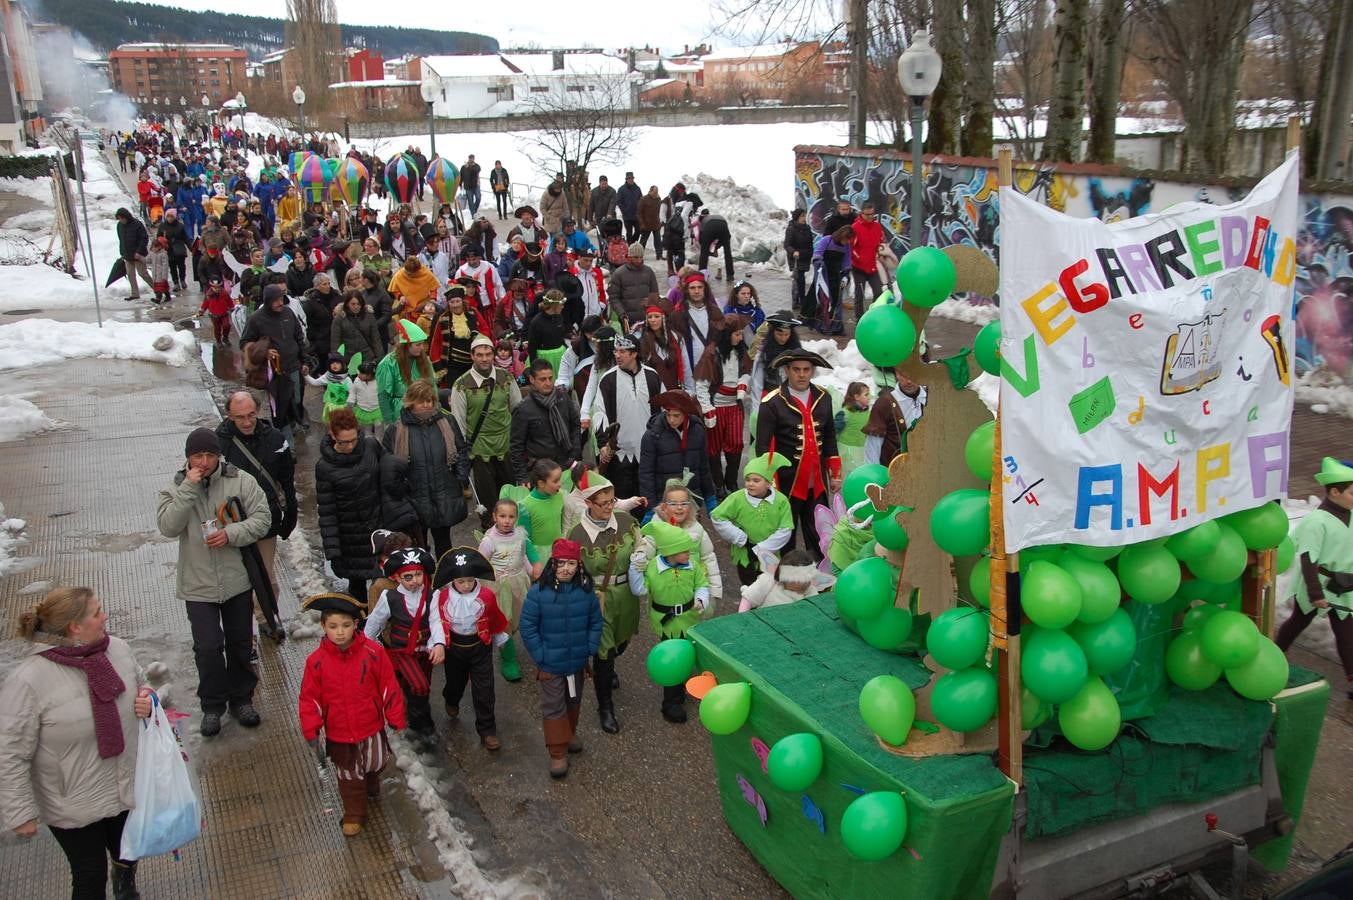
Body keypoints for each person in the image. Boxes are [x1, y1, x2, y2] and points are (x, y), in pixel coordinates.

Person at [0, 587, 154, 900]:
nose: (105, 616)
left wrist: (147, 700)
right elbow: (10, 751)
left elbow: (141, 684)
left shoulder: (117, 650)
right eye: (97, 613)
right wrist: (19, 812)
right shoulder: (29, 680)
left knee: (128, 848)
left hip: (123, 782)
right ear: (75, 627)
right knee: (89, 875)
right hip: (72, 800)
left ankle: (125, 882)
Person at [155, 427, 271, 736]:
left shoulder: (239, 480)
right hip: (198, 583)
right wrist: (188, 490)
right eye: (197, 456)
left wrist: (231, 534)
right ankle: (212, 705)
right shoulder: (178, 486)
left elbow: (262, 519)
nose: (204, 462)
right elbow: (168, 526)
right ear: (188, 458)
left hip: (236, 579)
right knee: (207, 646)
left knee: (240, 642)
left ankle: (242, 698)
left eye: (209, 455)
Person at [298, 592, 405, 837]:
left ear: (356, 625)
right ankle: (354, 812)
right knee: (348, 775)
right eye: (333, 626)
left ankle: (370, 780)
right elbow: (309, 699)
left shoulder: (374, 653)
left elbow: (389, 685)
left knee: (376, 762)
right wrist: (311, 728)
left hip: (371, 727)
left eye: (346, 625)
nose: (340, 632)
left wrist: (395, 715)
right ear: (323, 626)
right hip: (339, 733)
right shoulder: (316, 662)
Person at [566, 473, 646, 734]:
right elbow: (569, 570)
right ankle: (605, 707)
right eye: (604, 503)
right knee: (603, 653)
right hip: (598, 599)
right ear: (589, 502)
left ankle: (610, 665)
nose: (610, 507)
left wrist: (643, 557)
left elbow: (643, 545)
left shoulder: (626, 521)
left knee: (622, 643)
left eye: (612, 501)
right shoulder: (576, 534)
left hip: (626, 596)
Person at [518, 538, 602, 778]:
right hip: (550, 665)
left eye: (572, 563)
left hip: (577, 661)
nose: (566, 568)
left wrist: (590, 647)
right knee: (554, 706)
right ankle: (557, 752)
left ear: (579, 565)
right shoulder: (538, 592)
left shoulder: (585, 592)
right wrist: (540, 655)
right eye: (561, 563)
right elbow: (528, 627)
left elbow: (595, 621)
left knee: (573, 701)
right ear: (552, 563)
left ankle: (569, 733)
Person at [217, 391, 298, 636]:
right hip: (231, 520)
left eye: (251, 415)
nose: (247, 421)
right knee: (237, 577)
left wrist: (291, 511)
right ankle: (240, 626)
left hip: (266, 519)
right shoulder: (219, 443)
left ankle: (268, 618)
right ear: (229, 416)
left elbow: (286, 478)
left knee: (266, 574)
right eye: (240, 417)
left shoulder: (274, 438)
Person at [755, 348, 843, 560]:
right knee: (787, 534)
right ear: (787, 371)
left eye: (806, 369)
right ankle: (788, 579)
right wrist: (770, 483)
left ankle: (820, 579)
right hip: (788, 483)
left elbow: (829, 436)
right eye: (796, 370)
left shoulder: (823, 397)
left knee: (819, 532)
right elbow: (763, 448)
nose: (802, 374)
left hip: (817, 482)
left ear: (812, 371)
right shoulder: (772, 402)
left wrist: (835, 473)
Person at [1277, 458, 1353, 694]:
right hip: (1317, 583)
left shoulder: (1350, 515)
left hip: (1342, 585)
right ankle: (1277, 654)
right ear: (1334, 492)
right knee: (1298, 621)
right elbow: (1308, 560)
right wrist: (1315, 593)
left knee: (1346, 633)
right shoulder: (1316, 522)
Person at [629, 520, 710, 723]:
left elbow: (702, 584)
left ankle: (685, 683)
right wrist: (635, 568)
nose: (689, 554)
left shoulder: (692, 566)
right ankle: (671, 702)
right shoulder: (653, 569)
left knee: (690, 653)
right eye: (685, 551)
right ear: (671, 553)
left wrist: (701, 599)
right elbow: (639, 589)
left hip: (690, 619)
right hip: (667, 624)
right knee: (672, 658)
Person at [431, 548, 509, 751]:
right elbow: (435, 622)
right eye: (460, 581)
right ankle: (451, 698)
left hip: (480, 647)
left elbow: (494, 618)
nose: (466, 585)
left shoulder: (486, 595)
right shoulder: (442, 598)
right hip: (454, 648)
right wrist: (435, 643)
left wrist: (499, 637)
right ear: (453, 581)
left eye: (469, 580)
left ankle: (487, 731)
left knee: (484, 689)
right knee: (455, 683)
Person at [383, 380, 470, 557]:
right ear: (410, 402)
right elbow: (388, 466)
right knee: (417, 546)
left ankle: (445, 579)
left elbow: (461, 451)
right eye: (421, 401)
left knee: (444, 543)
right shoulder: (396, 430)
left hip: (443, 493)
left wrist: (460, 478)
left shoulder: (447, 422)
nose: (426, 405)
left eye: (429, 400)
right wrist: (401, 491)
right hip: (414, 496)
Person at [365, 547, 441, 749]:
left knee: (422, 687)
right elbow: (375, 622)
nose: (415, 580)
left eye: (418, 575)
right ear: (397, 577)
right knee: (420, 686)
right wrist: (367, 646)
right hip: (402, 652)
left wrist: (438, 644)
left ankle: (412, 710)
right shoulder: (389, 597)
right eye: (408, 576)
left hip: (426, 651)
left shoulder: (432, 595)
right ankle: (423, 727)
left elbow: (435, 622)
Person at [450, 334, 523, 529]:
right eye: (480, 354)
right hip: (480, 449)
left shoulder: (506, 377)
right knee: (488, 497)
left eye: (488, 354)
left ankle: (513, 532)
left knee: (509, 493)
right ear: (472, 356)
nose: (484, 358)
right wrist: (464, 452)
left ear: (493, 355)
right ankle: (491, 537)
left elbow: (517, 409)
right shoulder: (461, 384)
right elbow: (458, 423)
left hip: (506, 445)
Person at [595, 335, 664, 499]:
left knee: (647, 501)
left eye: (622, 351)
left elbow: (663, 411)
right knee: (622, 503)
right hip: (620, 455)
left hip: (648, 454)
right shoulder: (608, 380)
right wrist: (603, 443)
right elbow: (599, 413)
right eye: (616, 351)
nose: (617, 355)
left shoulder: (652, 377)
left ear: (634, 354)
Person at [711, 451, 795, 586]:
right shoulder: (737, 498)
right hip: (745, 556)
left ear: (768, 483)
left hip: (770, 557)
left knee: (770, 587)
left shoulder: (781, 501)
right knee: (749, 588)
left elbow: (785, 529)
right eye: (747, 480)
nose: (750, 484)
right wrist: (741, 539)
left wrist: (761, 549)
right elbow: (717, 516)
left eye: (756, 480)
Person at [478, 498, 539, 682]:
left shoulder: (521, 535)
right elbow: (481, 564)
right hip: (499, 587)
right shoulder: (489, 540)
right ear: (494, 516)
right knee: (504, 622)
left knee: (522, 618)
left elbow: (524, 558)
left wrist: (533, 571)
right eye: (502, 516)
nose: (507, 520)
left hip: (519, 583)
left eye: (511, 516)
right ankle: (509, 659)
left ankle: (526, 645)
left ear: (516, 518)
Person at [240, 285, 311, 436]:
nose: (280, 303)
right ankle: (284, 438)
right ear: (267, 301)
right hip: (275, 372)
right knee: (280, 406)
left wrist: (304, 361)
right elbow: (244, 342)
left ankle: (294, 421)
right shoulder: (256, 319)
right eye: (276, 300)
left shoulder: (288, 312)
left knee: (297, 398)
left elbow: (299, 337)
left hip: (294, 366)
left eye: (281, 299)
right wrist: (264, 352)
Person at [695, 316, 752, 497]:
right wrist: (707, 408)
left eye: (741, 334)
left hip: (734, 405)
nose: (740, 338)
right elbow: (702, 385)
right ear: (727, 335)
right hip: (716, 407)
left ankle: (731, 481)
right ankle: (718, 484)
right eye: (737, 334)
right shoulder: (711, 354)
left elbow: (746, 372)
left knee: (735, 443)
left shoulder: (741, 352)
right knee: (713, 447)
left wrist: (743, 383)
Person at [510, 359, 583, 486]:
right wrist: (522, 477)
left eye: (550, 378)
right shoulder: (523, 409)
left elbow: (575, 426)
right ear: (532, 380)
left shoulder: (563, 398)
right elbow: (516, 446)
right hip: (541, 471)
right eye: (542, 379)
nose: (548, 383)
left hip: (567, 464)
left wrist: (575, 453)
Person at [376, 319, 436, 424]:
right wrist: (389, 422)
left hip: (424, 412)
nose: (422, 348)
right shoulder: (388, 364)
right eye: (418, 344)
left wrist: (435, 410)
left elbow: (433, 386)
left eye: (423, 344)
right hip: (400, 415)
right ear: (407, 345)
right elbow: (384, 396)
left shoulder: (424, 360)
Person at [863, 373, 927, 466]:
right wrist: (874, 475)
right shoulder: (884, 403)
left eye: (913, 374)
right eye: (904, 375)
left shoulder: (931, 397)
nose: (909, 381)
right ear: (897, 374)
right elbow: (873, 446)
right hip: (894, 471)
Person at [737, 550, 826, 611]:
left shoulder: (811, 591)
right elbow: (749, 598)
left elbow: (814, 611)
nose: (804, 583)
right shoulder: (768, 581)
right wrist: (743, 617)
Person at [811, 225, 855, 335]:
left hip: (837, 275)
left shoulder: (847, 246)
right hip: (824, 275)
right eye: (846, 239)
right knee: (825, 300)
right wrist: (819, 263)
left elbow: (847, 261)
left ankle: (836, 326)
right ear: (841, 235)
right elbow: (818, 253)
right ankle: (824, 325)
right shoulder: (827, 240)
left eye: (849, 239)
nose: (847, 241)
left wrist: (846, 274)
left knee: (837, 301)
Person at [607, 243, 661, 330]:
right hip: (627, 320)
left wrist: (652, 313)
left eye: (641, 257)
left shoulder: (649, 272)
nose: (639, 260)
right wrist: (622, 314)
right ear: (629, 257)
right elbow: (614, 297)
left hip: (647, 319)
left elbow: (654, 295)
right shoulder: (619, 274)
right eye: (636, 257)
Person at [850, 201, 886, 320]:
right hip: (859, 267)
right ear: (862, 213)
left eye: (872, 214)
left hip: (873, 266)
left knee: (878, 292)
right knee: (859, 295)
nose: (870, 217)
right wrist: (858, 258)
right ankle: (859, 319)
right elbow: (851, 247)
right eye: (868, 214)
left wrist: (882, 252)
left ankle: (873, 315)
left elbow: (881, 242)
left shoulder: (877, 226)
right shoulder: (855, 227)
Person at [330, 291, 384, 369]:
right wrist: (336, 362)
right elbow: (335, 343)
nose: (356, 307)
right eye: (353, 304)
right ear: (347, 304)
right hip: (348, 359)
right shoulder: (339, 319)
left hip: (367, 357)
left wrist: (380, 359)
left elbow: (376, 339)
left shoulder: (369, 316)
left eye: (358, 304)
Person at [114, 208, 153, 300]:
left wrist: (139, 252)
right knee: (130, 274)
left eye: (122, 218)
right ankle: (135, 293)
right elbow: (121, 240)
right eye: (119, 219)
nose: (121, 220)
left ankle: (156, 289)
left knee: (143, 273)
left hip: (138, 254)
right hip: (127, 255)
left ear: (126, 217)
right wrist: (122, 252)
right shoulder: (119, 226)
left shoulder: (137, 224)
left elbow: (144, 239)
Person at [836, 381, 872, 474]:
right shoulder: (845, 413)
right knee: (848, 476)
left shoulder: (868, 413)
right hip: (846, 452)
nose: (869, 397)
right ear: (857, 397)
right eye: (866, 394)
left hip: (861, 450)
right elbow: (833, 431)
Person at [784, 209, 814, 310]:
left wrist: (811, 253)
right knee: (799, 279)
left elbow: (810, 242)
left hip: (805, 256)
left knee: (800, 279)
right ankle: (799, 300)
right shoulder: (791, 229)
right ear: (797, 217)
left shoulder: (807, 228)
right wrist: (793, 252)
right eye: (802, 216)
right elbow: (787, 245)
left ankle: (799, 299)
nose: (804, 218)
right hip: (795, 258)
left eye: (804, 216)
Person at [200, 275, 235, 344]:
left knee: (227, 325)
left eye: (218, 287)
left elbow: (229, 301)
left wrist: (232, 307)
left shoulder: (224, 293)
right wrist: (202, 310)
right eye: (214, 288)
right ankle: (218, 341)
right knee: (217, 329)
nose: (216, 289)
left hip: (224, 313)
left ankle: (225, 338)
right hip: (214, 315)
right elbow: (205, 303)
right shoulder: (208, 295)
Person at [637, 185, 663, 260]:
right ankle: (639, 255)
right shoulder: (643, 199)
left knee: (658, 240)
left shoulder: (658, 199)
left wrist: (660, 222)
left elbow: (659, 212)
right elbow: (639, 213)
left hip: (656, 224)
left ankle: (659, 255)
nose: (656, 193)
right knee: (643, 241)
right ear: (650, 191)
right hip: (646, 224)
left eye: (657, 192)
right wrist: (641, 224)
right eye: (655, 192)